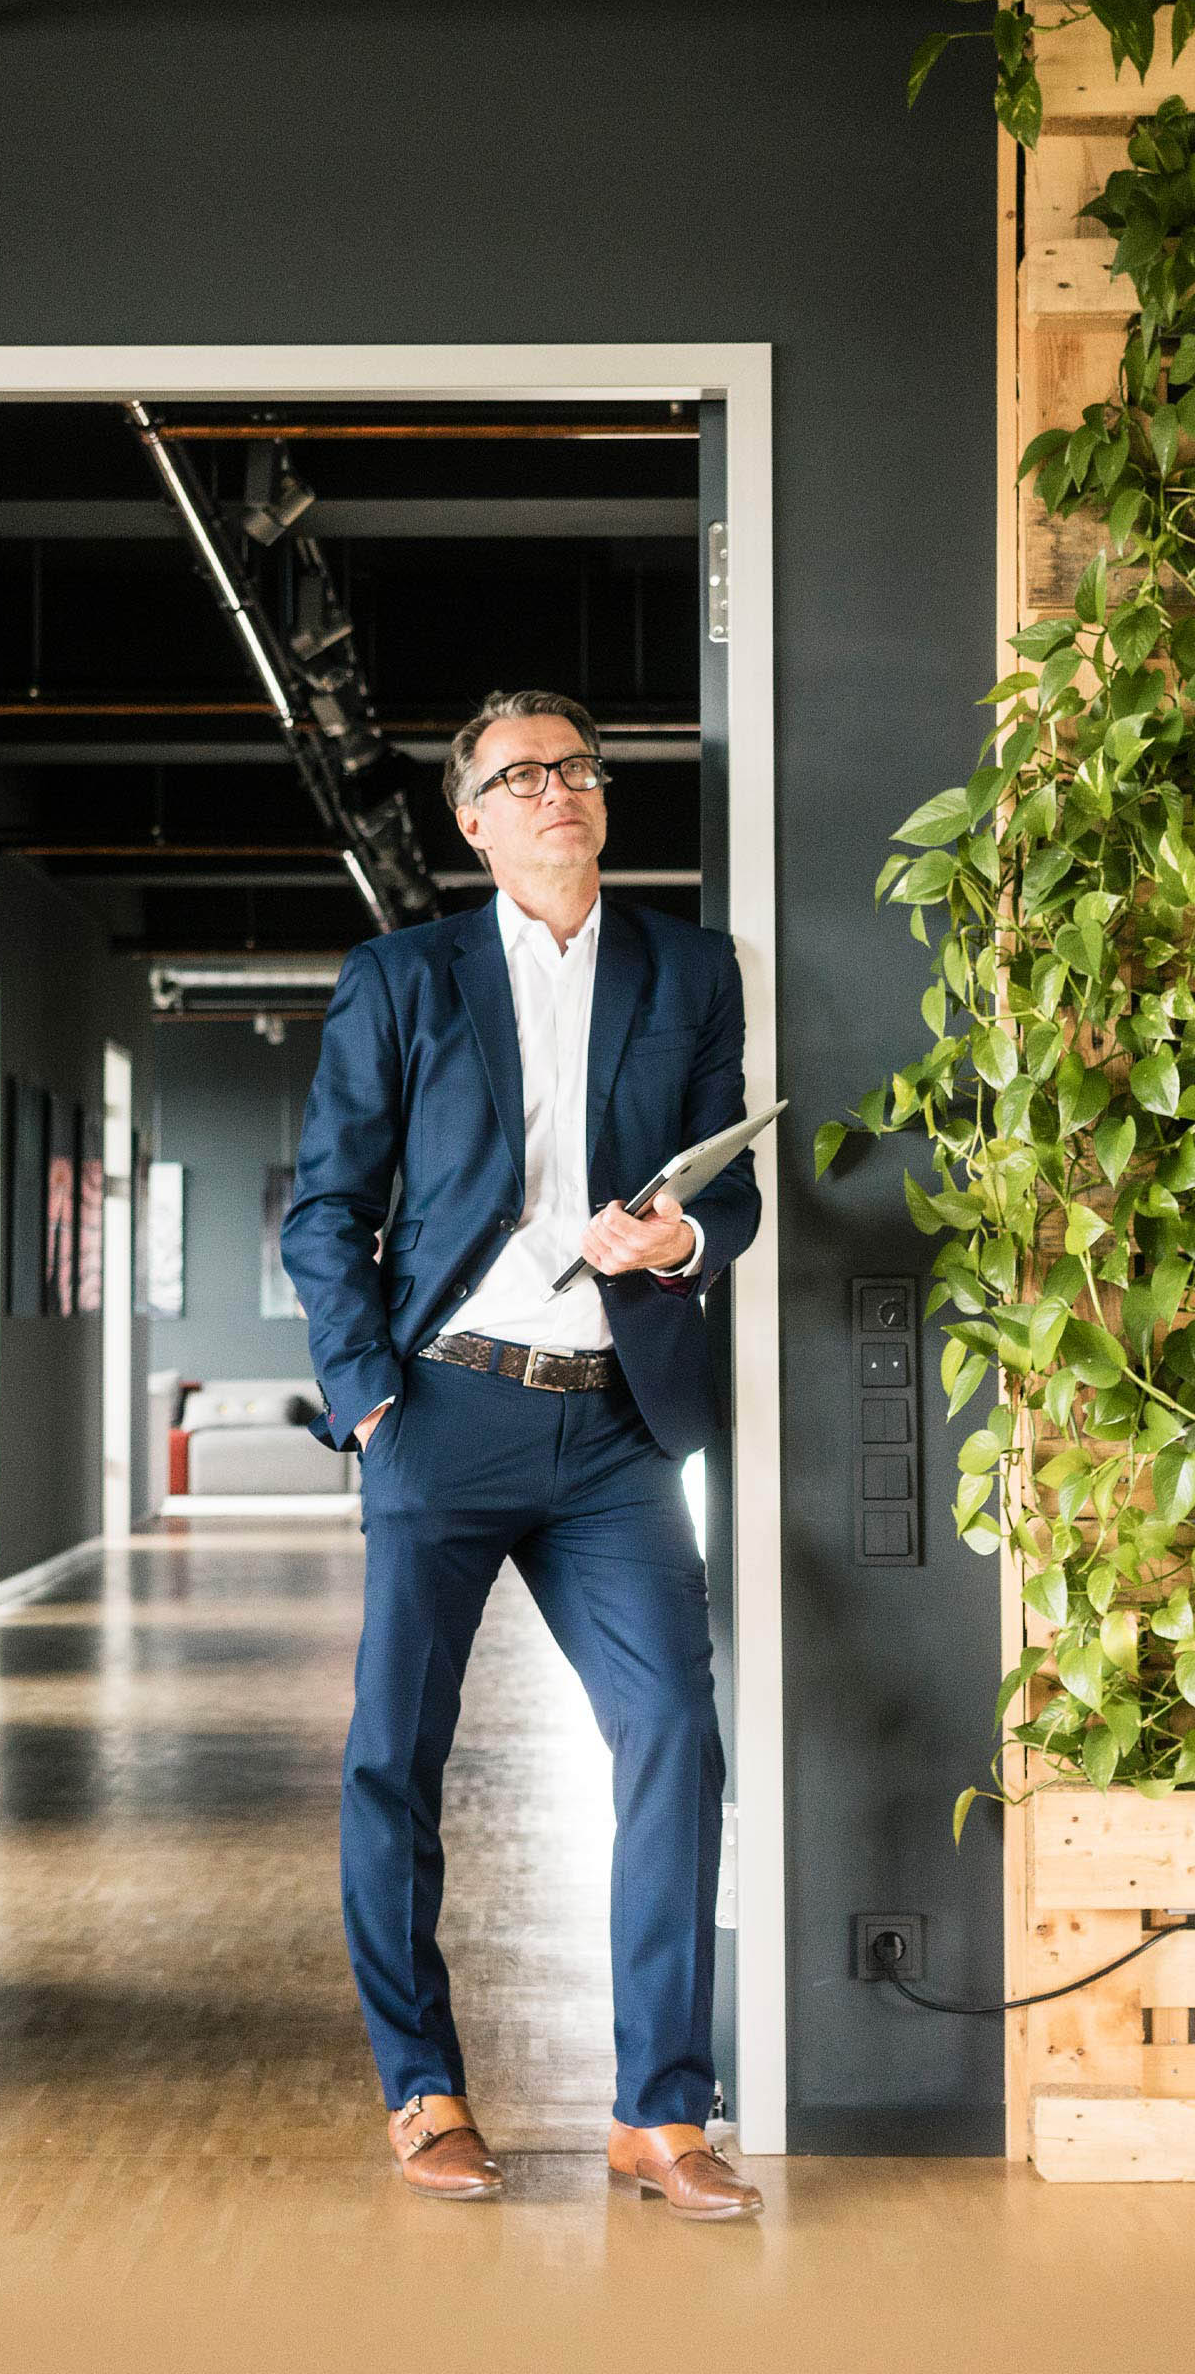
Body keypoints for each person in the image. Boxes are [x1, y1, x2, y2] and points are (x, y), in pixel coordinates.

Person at [280, 688, 763, 2222]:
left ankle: (661, 2114)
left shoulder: (691, 972)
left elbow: (729, 1193)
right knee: (393, 1761)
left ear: (603, 802)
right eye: (517, 775)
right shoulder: (402, 978)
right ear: (473, 819)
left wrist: (682, 1231)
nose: (555, 790)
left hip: (619, 1425)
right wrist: (367, 1401)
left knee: (677, 1739)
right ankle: (423, 2091)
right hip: (444, 1409)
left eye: (575, 769)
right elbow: (323, 1212)